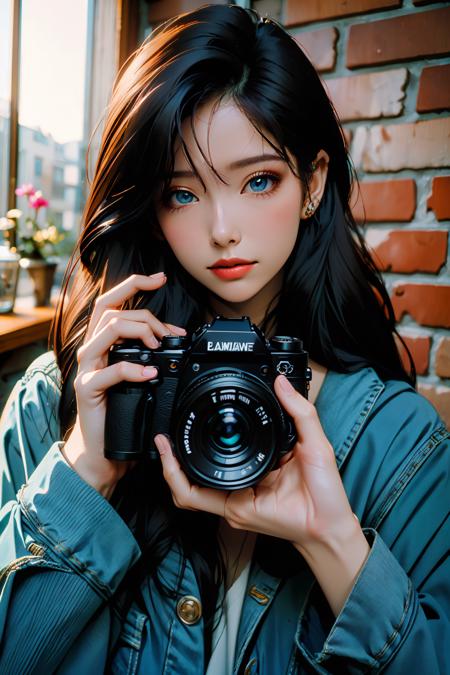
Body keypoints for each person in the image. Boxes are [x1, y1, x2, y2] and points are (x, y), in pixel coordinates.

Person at [0, 4, 448, 673]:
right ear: (148, 205)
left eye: (259, 180)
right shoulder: (58, 402)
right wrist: (89, 465)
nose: (222, 228)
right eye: (182, 193)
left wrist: (333, 541)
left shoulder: (400, 445)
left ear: (313, 182)